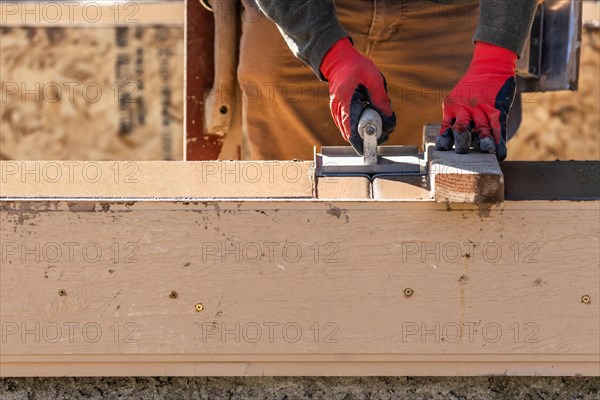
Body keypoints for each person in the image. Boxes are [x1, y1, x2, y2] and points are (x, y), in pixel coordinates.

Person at [238, 0, 538, 161]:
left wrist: (493, 60)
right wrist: (328, 52)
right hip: (306, 10)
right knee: (293, 201)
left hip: (452, 15)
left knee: (449, 189)